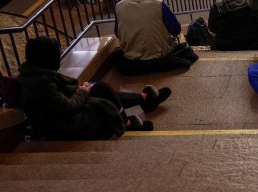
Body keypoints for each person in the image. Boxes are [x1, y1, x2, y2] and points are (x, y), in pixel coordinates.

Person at [18, 37, 170, 139]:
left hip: (64, 120)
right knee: (101, 92)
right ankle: (127, 121)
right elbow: (67, 107)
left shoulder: (34, 75)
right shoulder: (42, 83)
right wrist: (82, 91)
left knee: (99, 89)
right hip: (68, 125)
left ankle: (143, 99)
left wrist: (81, 90)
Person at [113, 0, 200, 75]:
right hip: (160, 55)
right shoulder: (159, 3)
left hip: (131, 57)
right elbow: (176, 29)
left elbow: (117, 33)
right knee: (181, 40)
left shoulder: (119, 6)